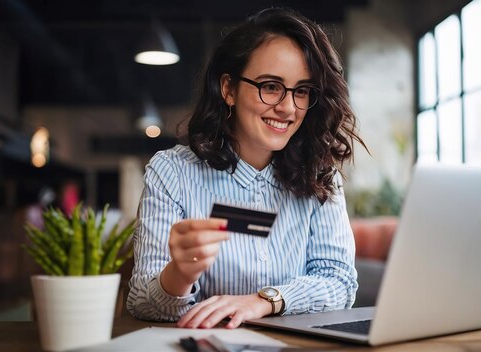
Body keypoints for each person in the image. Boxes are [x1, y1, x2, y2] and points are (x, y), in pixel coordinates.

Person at [127, 7, 366, 329]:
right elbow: (143, 302)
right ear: (228, 89)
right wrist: (179, 274)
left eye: (303, 91)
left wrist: (264, 301)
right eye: (270, 86)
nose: (287, 107)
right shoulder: (171, 172)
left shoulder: (321, 176)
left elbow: (340, 283)